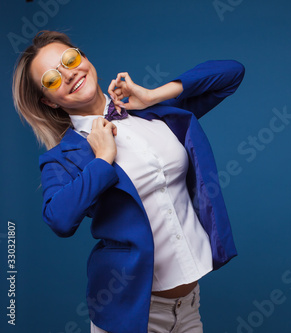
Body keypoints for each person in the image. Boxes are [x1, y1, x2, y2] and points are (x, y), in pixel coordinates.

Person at [12, 30, 245, 333]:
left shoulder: (154, 112)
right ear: (50, 101)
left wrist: (154, 94)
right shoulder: (63, 157)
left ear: (84, 57)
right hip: (129, 316)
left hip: (188, 308)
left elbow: (231, 74)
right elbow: (58, 219)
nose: (68, 75)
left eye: (70, 59)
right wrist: (101, 160)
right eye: (52, 79)